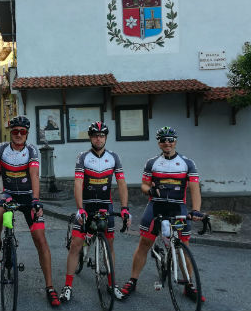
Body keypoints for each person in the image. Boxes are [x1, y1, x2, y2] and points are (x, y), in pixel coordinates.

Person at [0, 115, 61, 307]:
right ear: (10, 133)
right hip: (8, 195)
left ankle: (50, 287)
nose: (18, 135)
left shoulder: (31, 150)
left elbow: (34, 175)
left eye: (22, 132)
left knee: (40, 239)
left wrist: (36, 201)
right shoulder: (1, 149)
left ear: (27, 134)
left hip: (28, 196)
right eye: (15, 131)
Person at [119, 126, 205, 302]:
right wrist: (149, 190)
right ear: (159, 143)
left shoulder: (187, 163)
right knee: (144, 243)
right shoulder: (152, 163)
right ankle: (132, 281)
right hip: (156, 207)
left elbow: (195, 190)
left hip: (178, 208)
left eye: (170, 139)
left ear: (175, 141)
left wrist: (196, 209)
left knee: (184, 246)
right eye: (164, 140)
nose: (167, 142)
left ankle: (189, 285)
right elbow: (143, 184)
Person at [59, 121, 131, 303]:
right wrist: (80, 208)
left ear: (105, 137)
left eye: (102, 135)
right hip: (88, 205)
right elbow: (77, 183)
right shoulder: (83, 157)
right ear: (91, 137)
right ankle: (67, 286)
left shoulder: (114, 157)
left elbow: (122, 183)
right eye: (95, 135)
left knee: (110, 246)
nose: (98, 138)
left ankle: (112, 284)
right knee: (76, 244)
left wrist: (124, 208)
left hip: (106, 206)